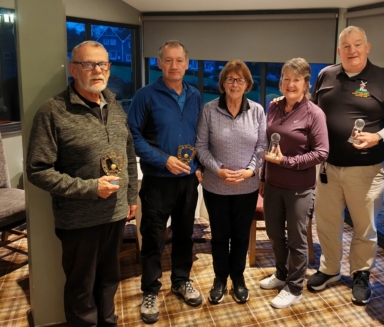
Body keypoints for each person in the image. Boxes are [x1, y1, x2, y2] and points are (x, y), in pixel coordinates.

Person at [26, 41, 138, 326]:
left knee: (109, 280)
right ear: (73, 69)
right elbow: (37, 170)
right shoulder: (52, 112)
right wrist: (91, 188)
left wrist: (131, 197)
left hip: (115, 213)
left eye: (103, 64)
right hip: (79, 219)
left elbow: (128, 154)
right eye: (89, 64)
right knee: (81, 288)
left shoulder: (115, 107)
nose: (97, 70)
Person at [308, 26, 384, 305]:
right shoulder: (326, 75)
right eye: (346, 46)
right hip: (327, 167)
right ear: (339, 51)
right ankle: (329, 269)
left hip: (366, 170)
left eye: (358, 44)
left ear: (367, 47)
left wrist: (378, 136)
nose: (352, 50)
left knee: (365, 227)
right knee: (327, 223)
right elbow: (312, 108)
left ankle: (361, 274)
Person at [127, 40, 203, 323]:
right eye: (168, 60)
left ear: (187, 63)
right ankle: (150, 290)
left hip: (187, 182)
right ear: (159, 63)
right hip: (157, 181)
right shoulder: (145, 95)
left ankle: (181, 280)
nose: (174, 66)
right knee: (153, 238)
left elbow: (200, 135)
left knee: (185, 235)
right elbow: (133, 137)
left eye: (179, 60)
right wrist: (164, 160)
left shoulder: (195, 95)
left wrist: (199, 166)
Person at [259, 58, 329, 308]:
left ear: (306, 83)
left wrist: (286, 161)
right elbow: (268, 144)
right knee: (274, 234)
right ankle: (281, 274)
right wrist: (264, 177)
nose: (290, 84)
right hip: (273, 185)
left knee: (297, 240)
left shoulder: (314, 113)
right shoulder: (273, 107)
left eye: (296, 79)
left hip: (300, 188)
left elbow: (322, 153)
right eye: (286, 78)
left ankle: (294, 287)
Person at [196, 60, 266, 304]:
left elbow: (262, 146)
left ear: (247, 84)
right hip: (216, 186)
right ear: (223, 83)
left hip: (247, 187)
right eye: (230, 79)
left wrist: (249, 171)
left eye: (240, 80)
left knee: (240, 236)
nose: (235, 84)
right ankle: (219, 278)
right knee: (219, 235)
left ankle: (238, 278)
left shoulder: (257, 111)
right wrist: (219, 171)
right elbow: (201, 147)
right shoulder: (209, 110)